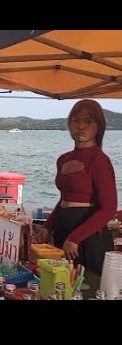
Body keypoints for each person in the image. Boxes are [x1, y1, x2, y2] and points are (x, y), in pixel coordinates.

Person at [37, 99, 117, 275]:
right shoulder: (63, 159)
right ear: (69, 123)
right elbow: (64, 200)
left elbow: (109, 209)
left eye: (88, 121)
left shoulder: (99, 160)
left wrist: (75, 237)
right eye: (76, 120)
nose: (81, 126)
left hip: (88, 237)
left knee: (86, 285)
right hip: (63, 231)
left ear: (98, 126)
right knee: (61, 284)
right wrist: (47, 226)